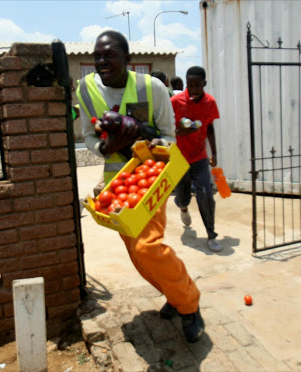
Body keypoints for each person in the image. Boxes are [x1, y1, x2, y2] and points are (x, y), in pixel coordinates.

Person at [76, 30, 205, 343]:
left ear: (127, 59)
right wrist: (106, 148)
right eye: (97, 56)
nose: (101, 61)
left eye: (109, 55)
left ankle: (189, 305)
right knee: (137, 253)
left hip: (149, 178)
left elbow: (169, 136)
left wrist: (142, 141)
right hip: (115, 186)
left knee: (148, 246)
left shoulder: (152, 87)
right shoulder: (86, 89)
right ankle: (174, 295)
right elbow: (90, 136)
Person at [170, 66, 222, 252]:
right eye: (190, 85)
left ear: (204, 84)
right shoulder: (175, 101)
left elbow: (209, 128)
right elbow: (167, 129)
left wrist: (214, 152)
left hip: (199, 156)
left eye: (197, 86)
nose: (193, 89)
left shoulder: (210, 102)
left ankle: (211, 234)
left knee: (206, 194)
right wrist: (179, 132)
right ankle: (183, 208)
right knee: (182, 197)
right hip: (179, 158)